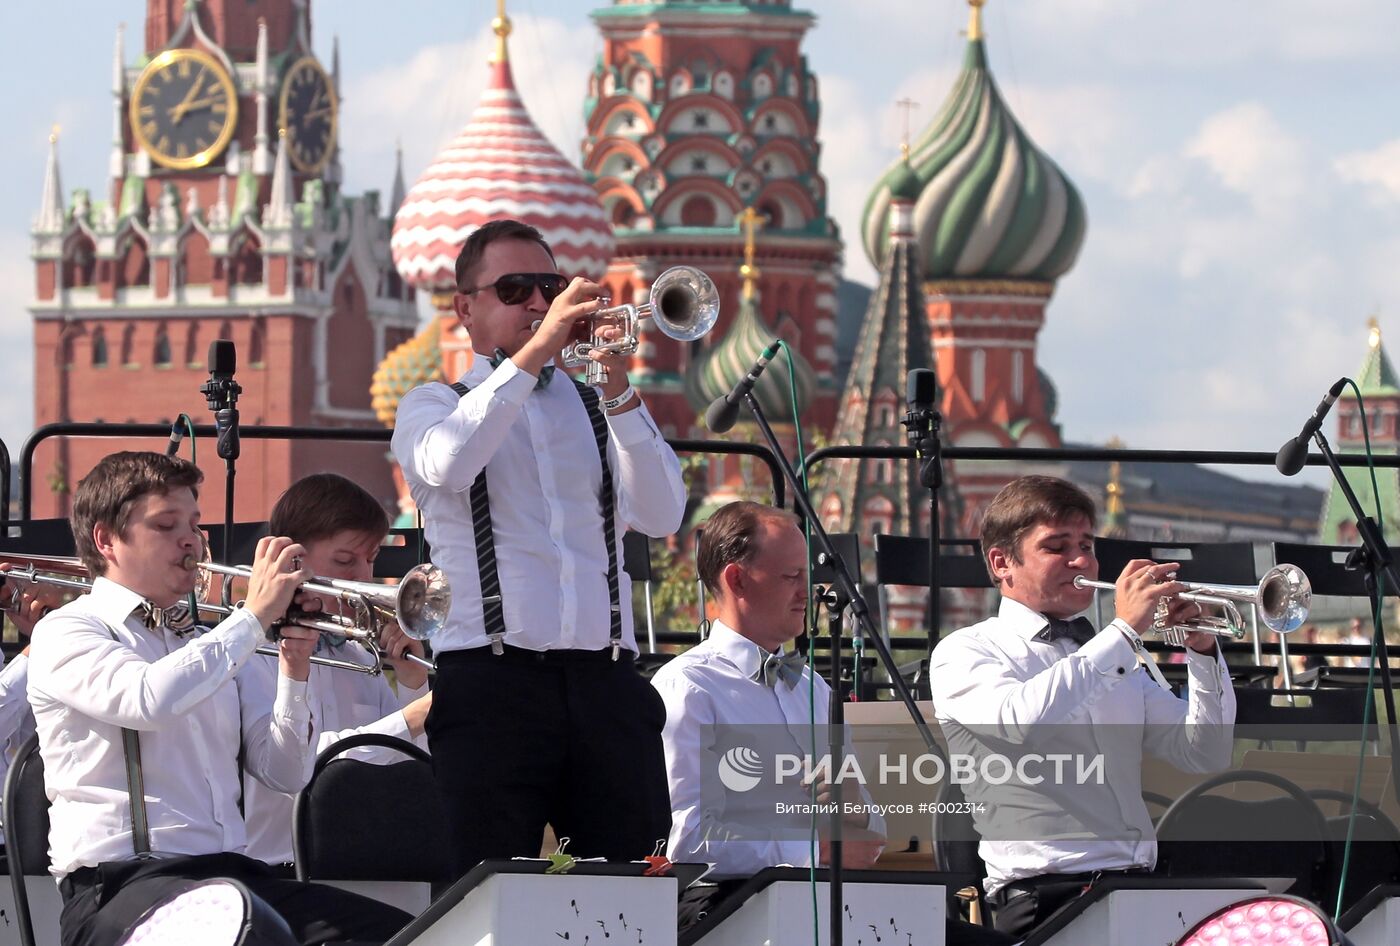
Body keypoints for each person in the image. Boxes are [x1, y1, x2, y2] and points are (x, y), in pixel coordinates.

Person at [391, 219, 686, 875]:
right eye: (515, 288)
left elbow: (663, 511)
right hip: (490, 686)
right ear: (465, 306)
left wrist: (617, 388)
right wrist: (535, 354)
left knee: (635, 890)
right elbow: (447, 464)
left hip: (605, 683)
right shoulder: (434, 403)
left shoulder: (596, 405)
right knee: (487, 894)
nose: (536, 303)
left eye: (548, 288)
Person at [26, 451, 410, 946]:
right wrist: (252, 618)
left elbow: (286, 772)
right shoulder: (70, 629)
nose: (190, 540)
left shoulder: (206, 644)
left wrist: (294, 666)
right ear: (106, 539)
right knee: (251, 929)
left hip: (232, 875)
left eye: (194, 523)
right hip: (120, 887)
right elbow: (148, 699)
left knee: (404, 935)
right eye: (166, 525)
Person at [653, 502, 1013, 945]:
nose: (809, 592)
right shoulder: (689, 686)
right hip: (737, 904)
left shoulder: (814, 689)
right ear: (736, 579)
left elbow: (873, 832)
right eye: (791, 577)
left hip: (830, 901)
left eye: (807, 576)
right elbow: (686, 838)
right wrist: (812, 850)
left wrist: (856, 808)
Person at [929, 475, 1236, 939]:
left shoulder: (1116, 656)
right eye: (1056, 547)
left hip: (1135, 888)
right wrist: (1121, 633)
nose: (1081, 560)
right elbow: (1021, 724)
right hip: (1046, 896)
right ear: (1001, 563)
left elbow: (1203, 754)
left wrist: (1203, 652)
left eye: (1087, 545)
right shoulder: (966, 651)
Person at [242, 473, 433, 869]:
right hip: (274, 866)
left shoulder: (359, 657)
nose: (364, 578)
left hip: (361, 858)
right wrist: (410, 719)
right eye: (345, 561)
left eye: (371, 560)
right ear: (294, 561)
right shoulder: (250, 656)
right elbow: (309, 761)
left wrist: (414, 683)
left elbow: (409, 771)